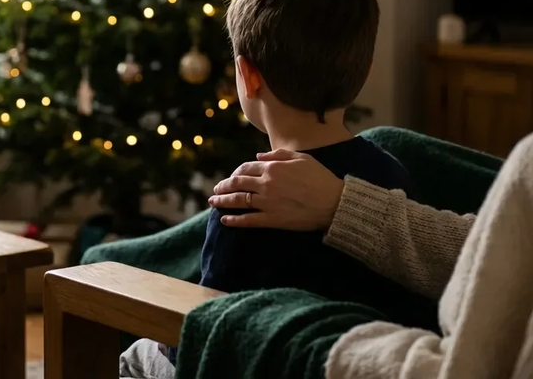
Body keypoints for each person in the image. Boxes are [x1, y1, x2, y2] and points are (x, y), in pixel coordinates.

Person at [198, 0, 435, 331]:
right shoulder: (392, 179)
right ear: (366, 67)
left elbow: (205, 334)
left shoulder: (245, 197)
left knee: (137, 355)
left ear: (248, 75)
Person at [208, 137, 533, 378]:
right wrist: (342, 202)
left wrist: (342, 205)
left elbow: (206, 320)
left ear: (248, 78)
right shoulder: (389, 167)